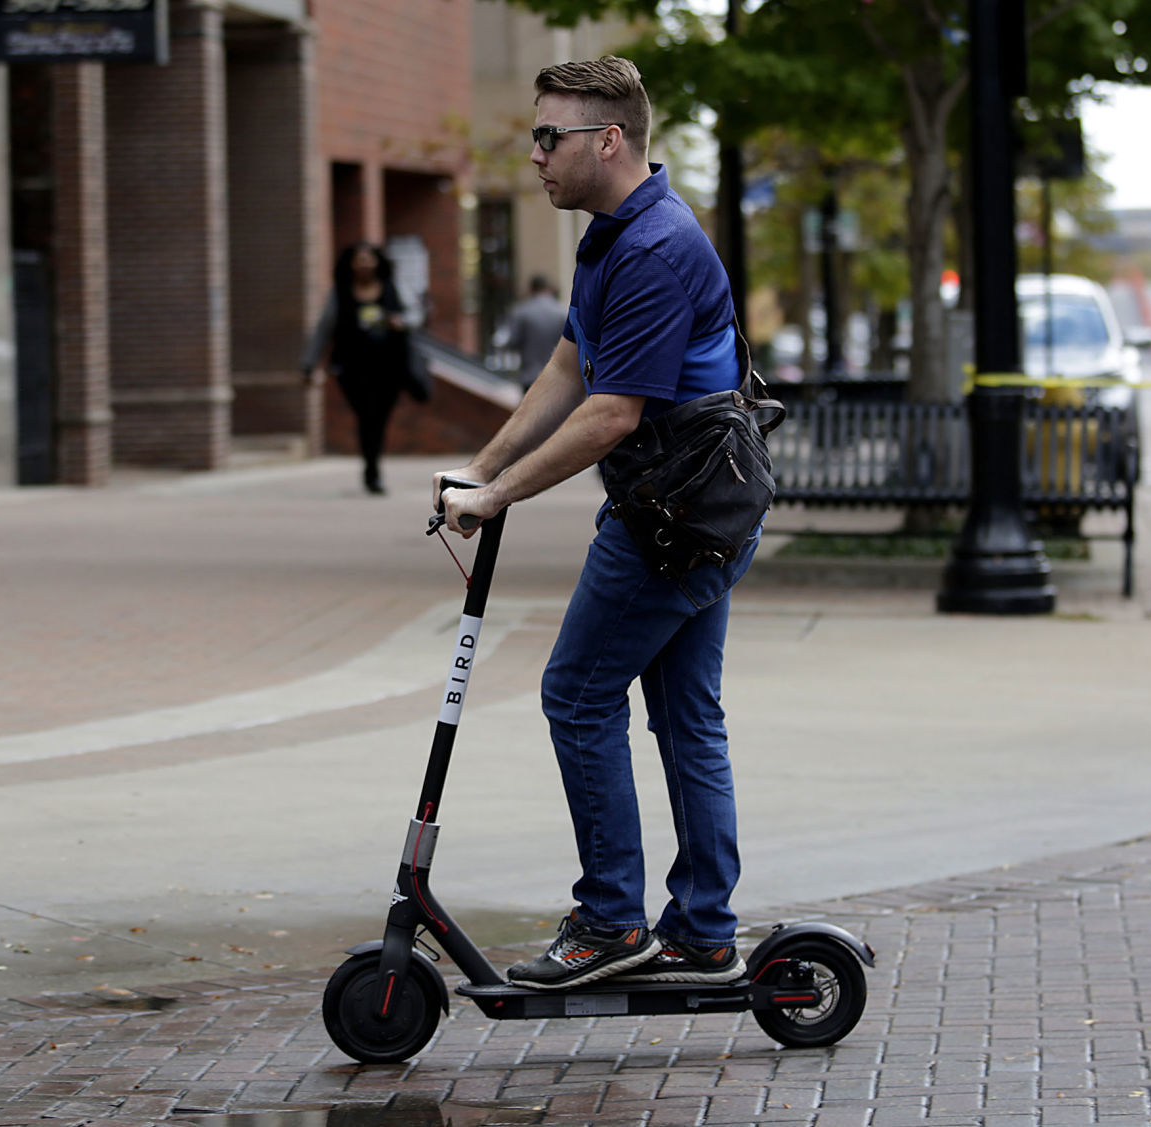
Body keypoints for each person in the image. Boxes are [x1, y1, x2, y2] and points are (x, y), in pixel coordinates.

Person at [434, 56, 756, 990]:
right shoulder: (611, 235)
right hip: (694, 505)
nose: (533, 155)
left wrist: (496, 500)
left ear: (607, 140)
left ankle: (613, 919)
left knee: (577, 695)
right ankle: (701, 929)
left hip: (676, 514)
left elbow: (612, 412)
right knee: (686, 716)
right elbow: (568, 371)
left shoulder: (654, 250)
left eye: (547, 136)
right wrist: (481, 467)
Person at [302, 241, 420, 494]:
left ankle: (372, 468)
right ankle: (371, 468)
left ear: (378, 262)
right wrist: (310, 363)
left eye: (369, 259)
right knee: (366, 415)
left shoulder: (393, 288)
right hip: (352, 368)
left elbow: (416, 316)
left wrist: (400, 322)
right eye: (359, 259)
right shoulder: (340, 293)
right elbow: (324, 329)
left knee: (378, 417)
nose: (364, 264)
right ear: (350, 264)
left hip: (389, 367)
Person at [504, 275, 570, 389]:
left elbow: (513, 343)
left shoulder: (521, 312)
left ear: (531, 289)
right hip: (557, 377)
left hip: (530, 376)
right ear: (548, 288)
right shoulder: (561, 312)